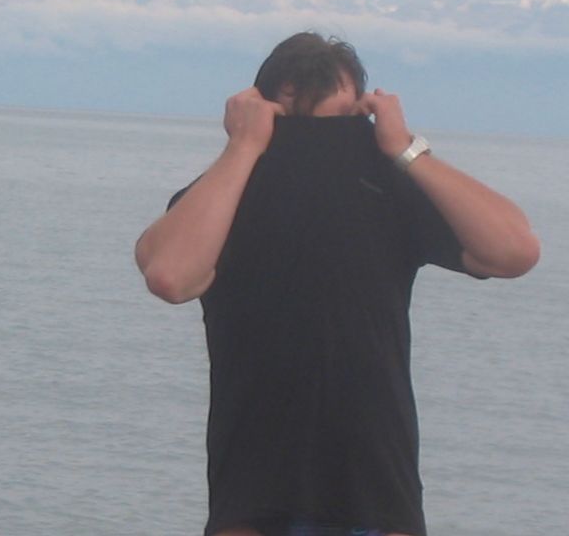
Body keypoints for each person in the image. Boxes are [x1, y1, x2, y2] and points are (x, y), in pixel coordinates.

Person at [134, 32, 540, 536]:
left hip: (356, 490)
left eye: (346, 130)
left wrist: (401, 151)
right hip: (269, 493)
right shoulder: (229, 193)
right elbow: (172, 276)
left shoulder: (381, 183)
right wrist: (247, 148)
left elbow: (513, 251)